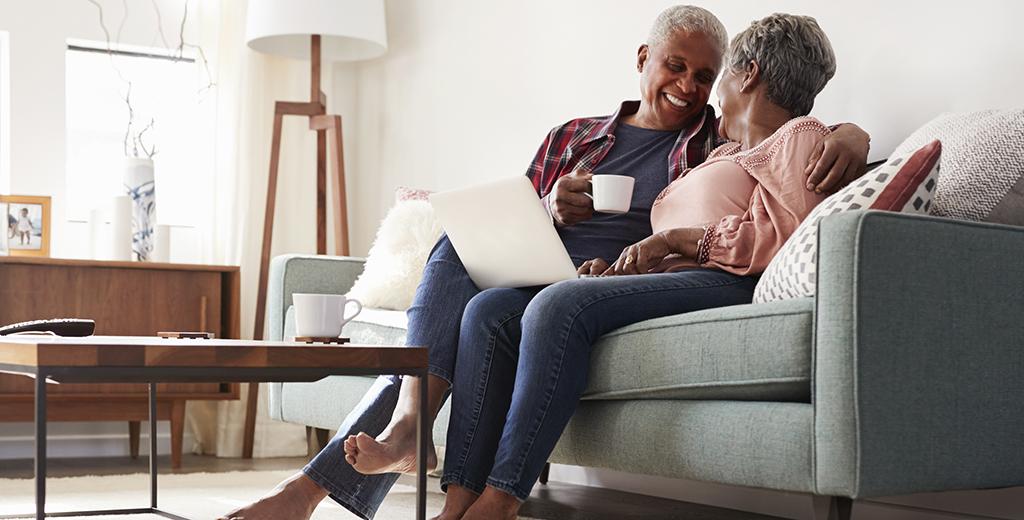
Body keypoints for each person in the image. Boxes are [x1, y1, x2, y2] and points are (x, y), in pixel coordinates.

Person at [222, 6, 867, 520]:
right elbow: (513, 213)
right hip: (538, 257)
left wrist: (851, 136)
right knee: (453, 253)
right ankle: (415, 434)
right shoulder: (574, 136)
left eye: (705, 77)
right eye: (676, 67)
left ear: (734, 76)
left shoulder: (710, 140)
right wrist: (552, 209)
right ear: (643, 59)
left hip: (603, 278)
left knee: (479, 320)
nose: (691, 89)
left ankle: (318, 490)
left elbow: (787, 152)